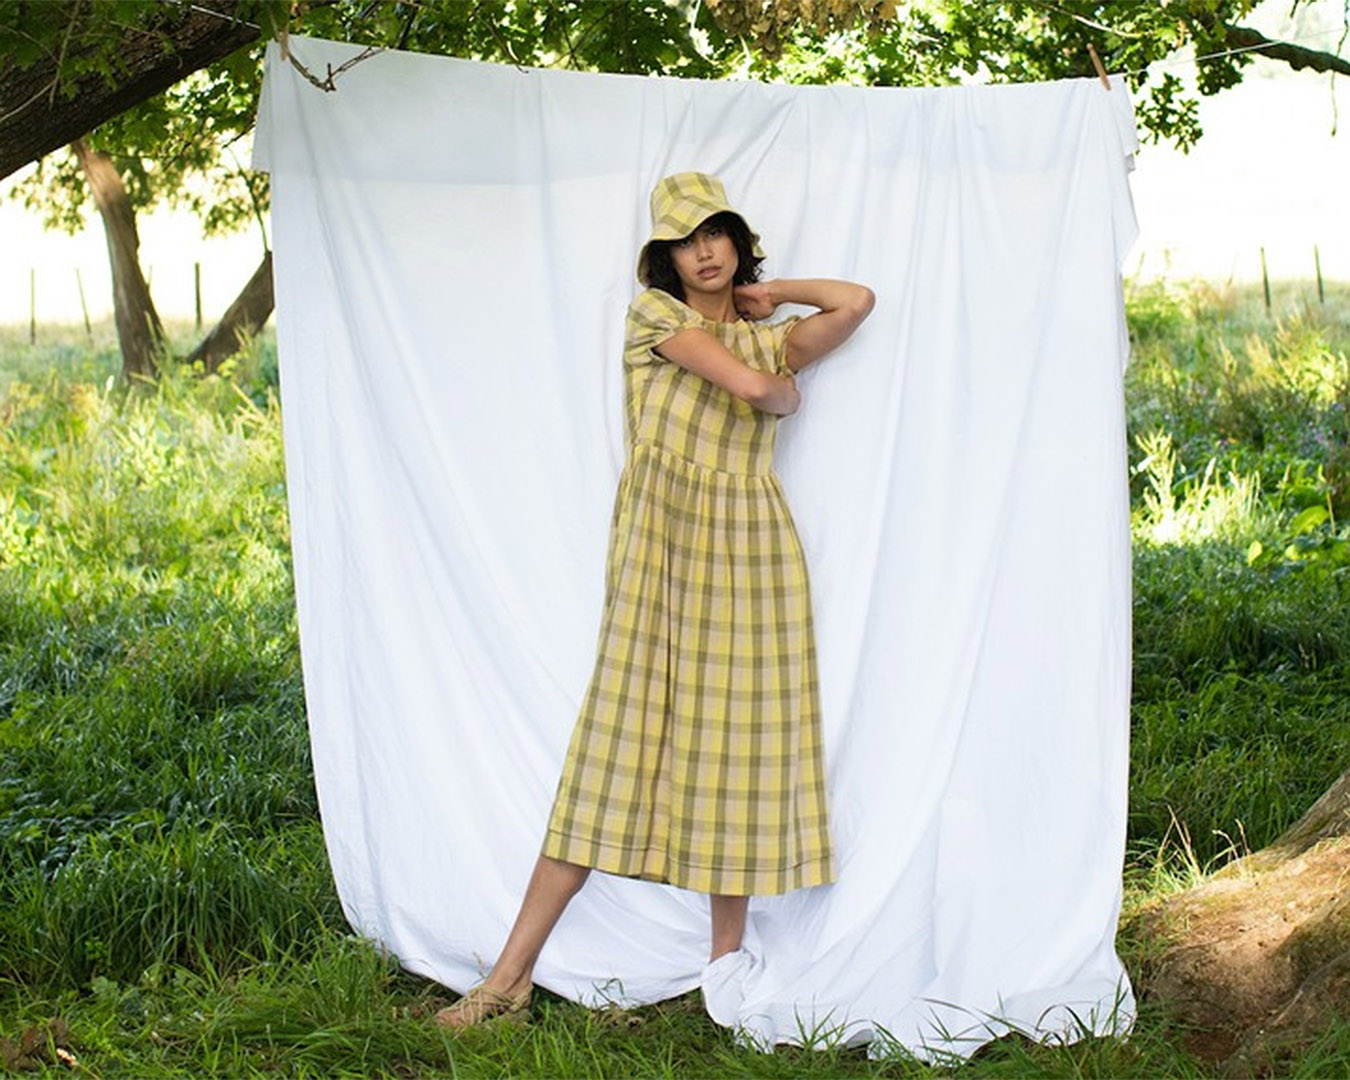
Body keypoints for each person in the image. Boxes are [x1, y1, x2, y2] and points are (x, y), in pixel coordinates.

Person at [436, 171, 875, 1029]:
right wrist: (783, 389)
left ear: (736, 244)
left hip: (753, 549)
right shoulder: (656, 320)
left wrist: (771, 295)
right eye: (686, 238)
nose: (703, 250)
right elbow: (757, 392)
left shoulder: (766, 333)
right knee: (611, 747)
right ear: (664, 257)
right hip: (664, 545)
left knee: (736, 753)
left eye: (717, 233)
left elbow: (856, 300)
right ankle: (508, 978)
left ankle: (724, 974)